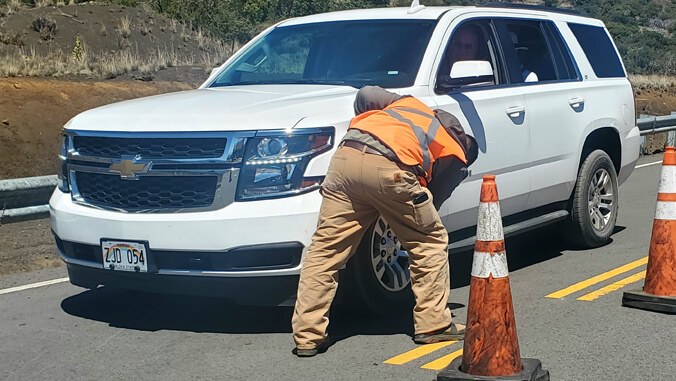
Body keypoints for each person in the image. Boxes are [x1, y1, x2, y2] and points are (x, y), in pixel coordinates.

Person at [291, 85, 478, 357]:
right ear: (465, 149)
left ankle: (307, 336)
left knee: (324, 251)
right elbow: (429, 207)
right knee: (430, 242)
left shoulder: (411, 106)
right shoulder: (457, 154)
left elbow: (365, 93)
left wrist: (370, 129)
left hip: (345, 158)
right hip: (392, 168)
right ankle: (433, 325)